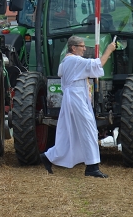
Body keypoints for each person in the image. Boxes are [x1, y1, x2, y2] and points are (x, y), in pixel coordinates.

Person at [41, 35, 117, 178]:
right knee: (89, 130)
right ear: (73, 48)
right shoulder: (75, 60)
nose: (85, 49)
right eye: (82, 46)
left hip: (73, 96)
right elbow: (98, 64)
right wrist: (109, 50)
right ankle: (92, 167)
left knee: (71, 132)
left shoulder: (66, 61)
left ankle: (48, 156)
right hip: (76, 97)